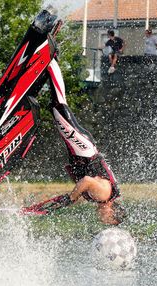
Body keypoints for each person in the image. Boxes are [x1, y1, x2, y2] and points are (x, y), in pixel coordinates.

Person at [24, 60, 127, 225]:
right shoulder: (103, 195)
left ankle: (43, 72)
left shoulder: (101, 197)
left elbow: (84, 186)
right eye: (107, 220)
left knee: (58, 110)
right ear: (112, 212)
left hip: (83, 151)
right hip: (84, 151)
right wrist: (72, 198)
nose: (102, 220)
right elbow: (86, 180)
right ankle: (50, 61)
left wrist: (66, 200)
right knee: (59, 108)